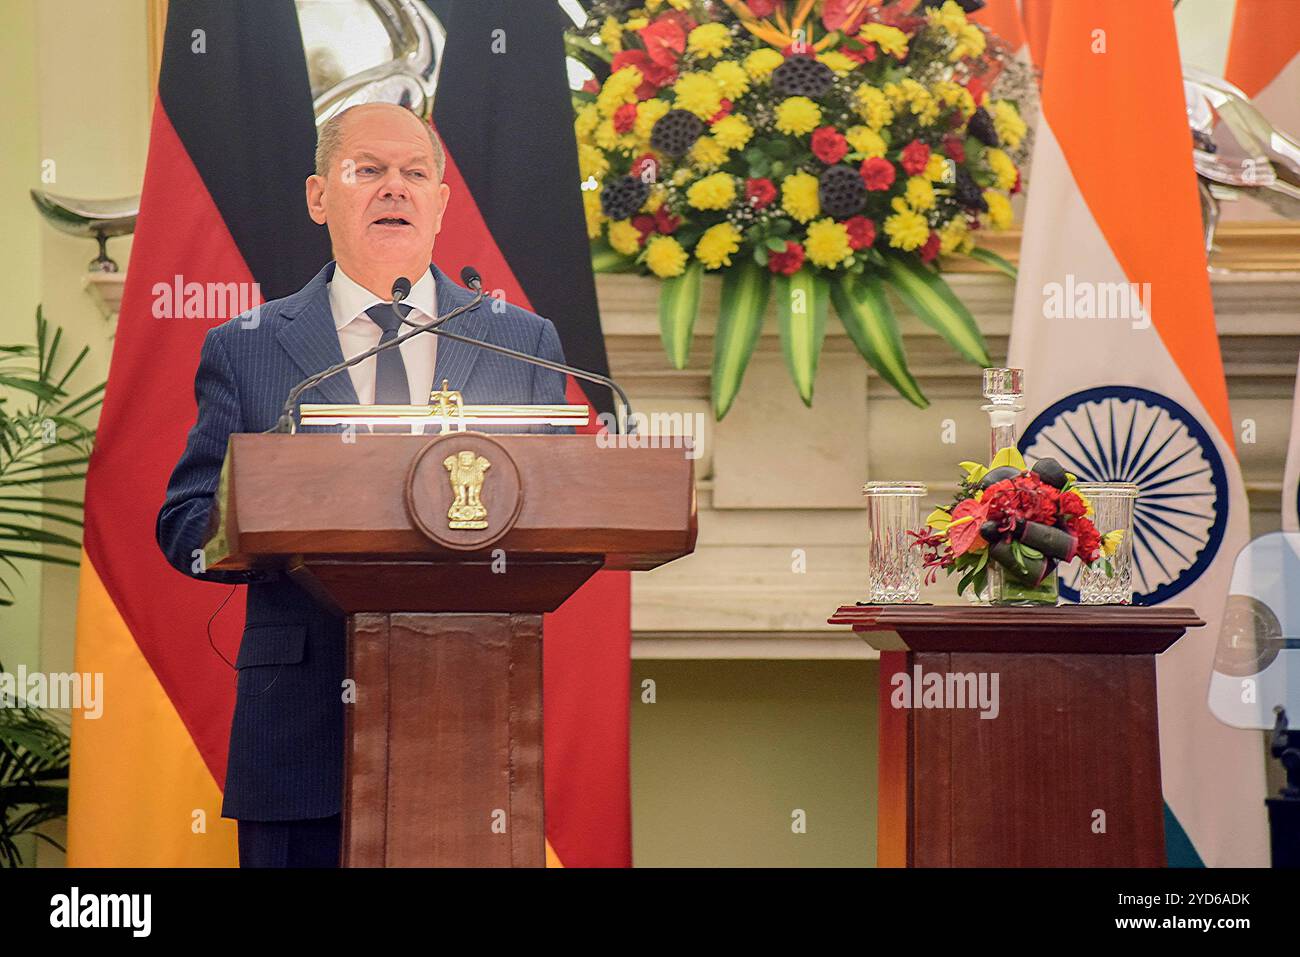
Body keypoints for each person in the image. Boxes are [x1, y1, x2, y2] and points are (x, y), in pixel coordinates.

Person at [155, 102, 568, 867]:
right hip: (299, 736)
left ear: (441, 203)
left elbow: (560, 504)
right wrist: (267, 518)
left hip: (472, 721)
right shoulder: (247, 347)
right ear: (319, 196)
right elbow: (184, 525)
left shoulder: (523, 341)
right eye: (367, 171)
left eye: (415, 174)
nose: (395, 189)